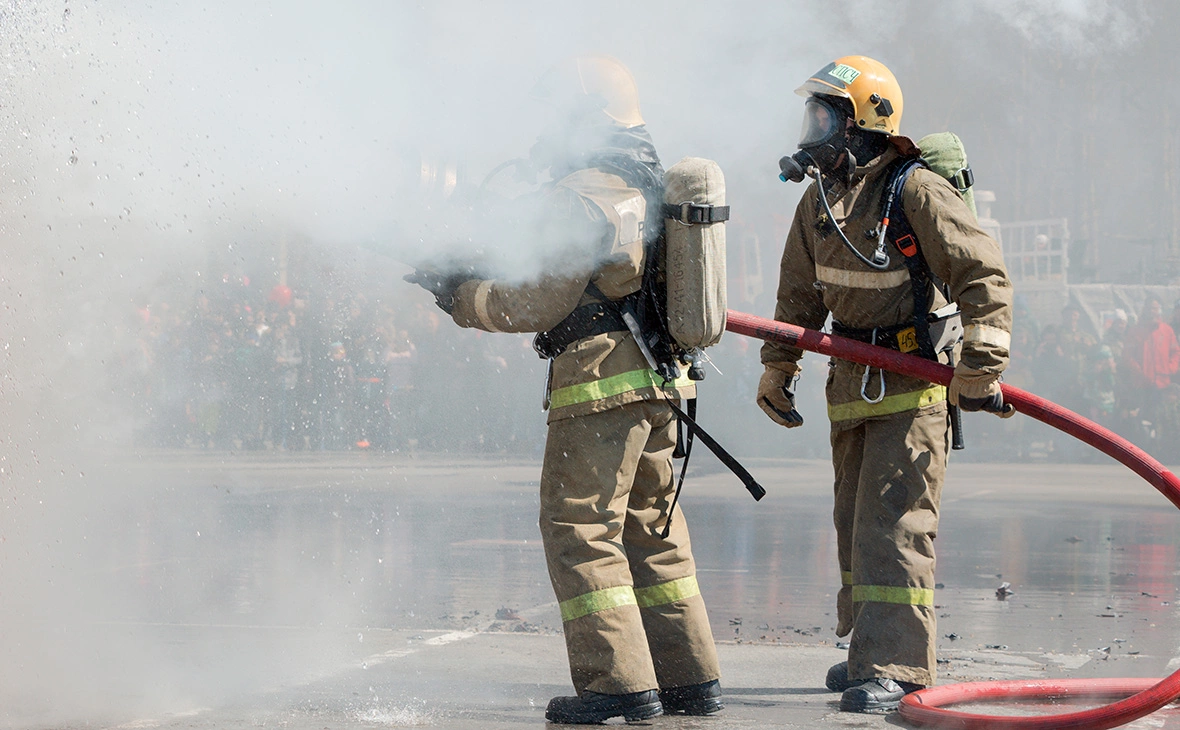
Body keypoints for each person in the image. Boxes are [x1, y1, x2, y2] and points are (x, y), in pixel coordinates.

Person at [408, 56, 722, 724]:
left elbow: (539, 302)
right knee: (651, 530)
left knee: (581, 526)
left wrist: (462, 296)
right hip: (659, 381)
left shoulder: (583, 189)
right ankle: (689, 678)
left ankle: (616, 685)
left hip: (600, 380)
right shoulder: (646, 181)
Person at [757, 56, 1014, 713]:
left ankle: (899, 665)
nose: (810, 129)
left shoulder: (915, 190)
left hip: (912, 385)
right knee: (853, 526)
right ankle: (869, 650)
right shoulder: (818, 202)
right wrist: (777, 367)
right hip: (850, 388)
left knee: (894, 529)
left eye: (823, 115)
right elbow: (796, 298)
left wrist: (982, 363)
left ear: (862, 120)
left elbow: (983, 276)